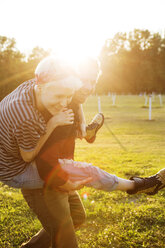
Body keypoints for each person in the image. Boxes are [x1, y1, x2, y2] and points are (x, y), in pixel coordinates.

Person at [20, 57, 140, 248]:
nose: (89, 87)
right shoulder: (59, 107)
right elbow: (45, 162)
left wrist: (83, 127)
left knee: (77, 216)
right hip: (43, 182)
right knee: (65, 239)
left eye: (93, 82)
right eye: (85, 80)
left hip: (58, 173)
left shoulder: (72, 103)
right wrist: (67, 183)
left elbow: (76, 108)